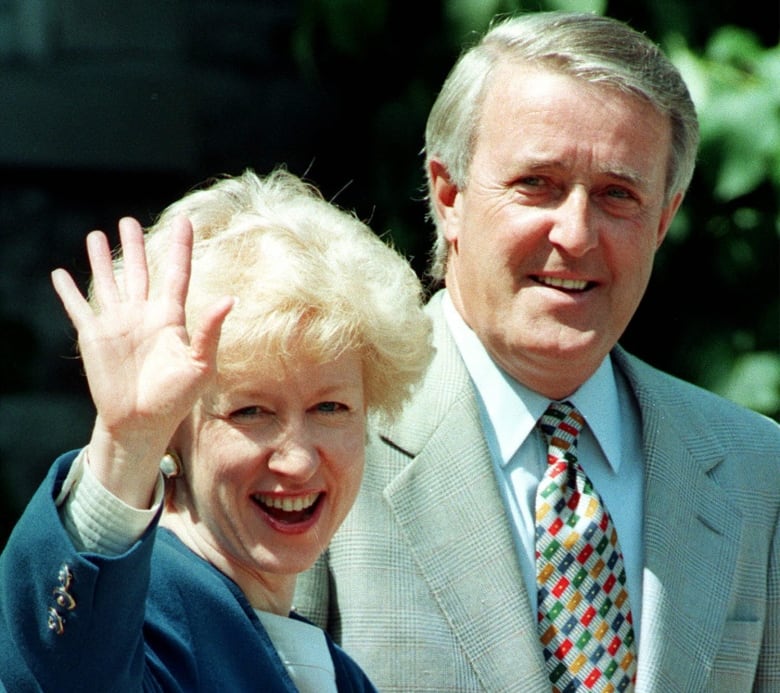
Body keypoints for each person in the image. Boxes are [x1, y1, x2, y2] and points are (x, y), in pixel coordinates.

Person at [293, 10, 780, 693]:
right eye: (537, 185)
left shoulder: (757, 472)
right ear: (450, 194)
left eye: (618, 194)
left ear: (663, 219)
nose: (576, 234)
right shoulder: (316, 437)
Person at [0, 168, 433, 692]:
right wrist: (127, 444)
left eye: (331, 408)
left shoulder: (341, 677)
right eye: (250, 412)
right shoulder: (143, 623)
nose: (297, 460)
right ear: (174, 433)